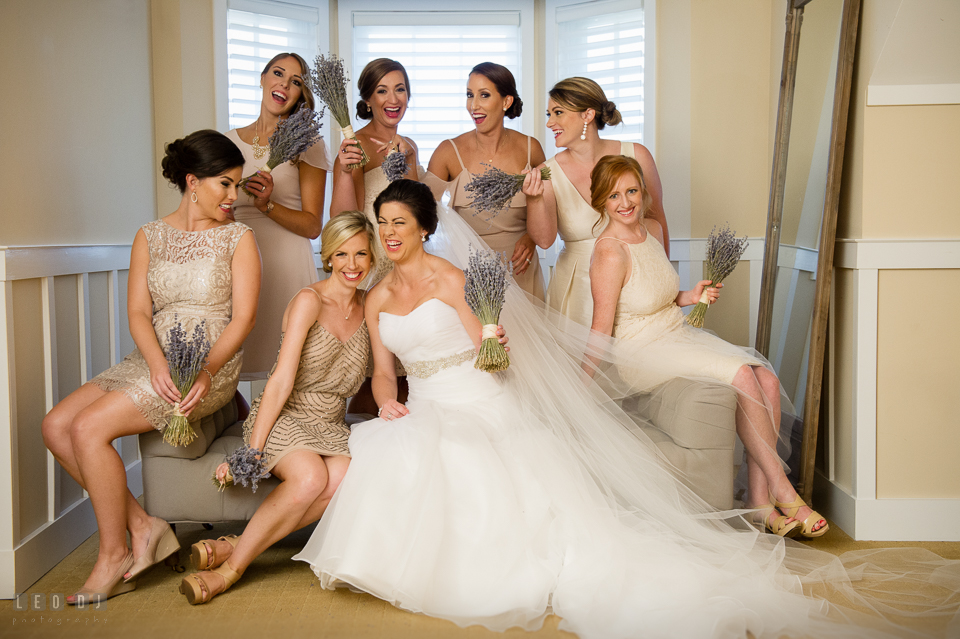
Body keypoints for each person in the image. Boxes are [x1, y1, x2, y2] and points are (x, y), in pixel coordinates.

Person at [292, 179, 953, 639]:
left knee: (467, 455)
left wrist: (491, 348)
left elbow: (498, 355)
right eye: (380, 226)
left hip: (478, 395)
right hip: (424, 403)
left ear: (426, 230)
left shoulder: (459, 282)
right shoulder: (377, 296)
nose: (386, 235)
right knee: (381, 445)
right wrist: (388, 405)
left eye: (397, 224)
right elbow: (383, 374)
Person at [41, 130, 261, 605]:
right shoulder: (150, 234)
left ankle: (114, 554)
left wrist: (201, 372)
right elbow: (139, 313)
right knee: (56, 426)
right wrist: (158, 363)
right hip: (152, 359)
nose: (233, 196)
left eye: (237, 185)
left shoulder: (238, 238)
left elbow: (243, 319)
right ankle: (144, 526)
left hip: (208, 368)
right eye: (224, 184)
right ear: (192, 182)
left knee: (87, 429)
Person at [586, 155, 826, 539]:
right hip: (642, 351)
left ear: (643, 192)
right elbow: (602, 326)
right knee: (741, 374)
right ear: (600, 201)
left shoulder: (648, 229)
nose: (625, 201)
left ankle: (759, 502)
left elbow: (655, 295)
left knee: (764, 376)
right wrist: (581, 382)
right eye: (614, 195)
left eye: (631, 190)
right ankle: (784, 489)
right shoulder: (609, 252)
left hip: (674, 333)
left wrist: (688, 295)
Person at [179, 212, 374, 604]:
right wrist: (250, 449)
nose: (351, 265)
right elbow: (281, 380)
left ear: (373, 259)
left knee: (343, 480)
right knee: (309, 479)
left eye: (361, 255)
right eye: (342, 254)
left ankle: (236, 545)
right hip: (290, 414)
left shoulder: (372, 306)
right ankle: (230, 571)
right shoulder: (309, 300)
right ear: (328, 256)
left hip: (332, 423)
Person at [524, 77, 670, 326]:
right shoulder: (548, 172)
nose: (550, 123)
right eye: (549, 114)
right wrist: (534, 199)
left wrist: (662, 282)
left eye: (558, 113)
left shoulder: (637, 155)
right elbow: (545, 241)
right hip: (576, 290)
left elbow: (657, 220)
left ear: (588, 115)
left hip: (634, 279)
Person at [226, 52, 332, 380]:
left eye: (296, 82)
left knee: (288, 372)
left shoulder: (308, 144)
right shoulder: (226, 142)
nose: (284, 84)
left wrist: (267, 206)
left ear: (300, 94)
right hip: (239, 267)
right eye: (277, 73)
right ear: (262, 78)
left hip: (287, 265)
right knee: (229, 369)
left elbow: (313, 225)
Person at [425, 62, 547, 299]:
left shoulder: (531, 149)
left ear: (506, 102)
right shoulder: (448, 152)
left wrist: (531, 238)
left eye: (484, 95)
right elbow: (419, 213)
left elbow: (548, 210)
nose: (474, 105)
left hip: (520, 270)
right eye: (470, 95)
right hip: (469, 273)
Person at [330, 58, 420, 288]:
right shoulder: (356, 146)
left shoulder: (409, 146)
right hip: (372, 266)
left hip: (407, 264)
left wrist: (408, 157)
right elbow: (345, 220)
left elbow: (417, 213)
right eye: (382, 91)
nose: (393, 99)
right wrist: (345, 173)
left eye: (400, 89)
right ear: (368, 100)